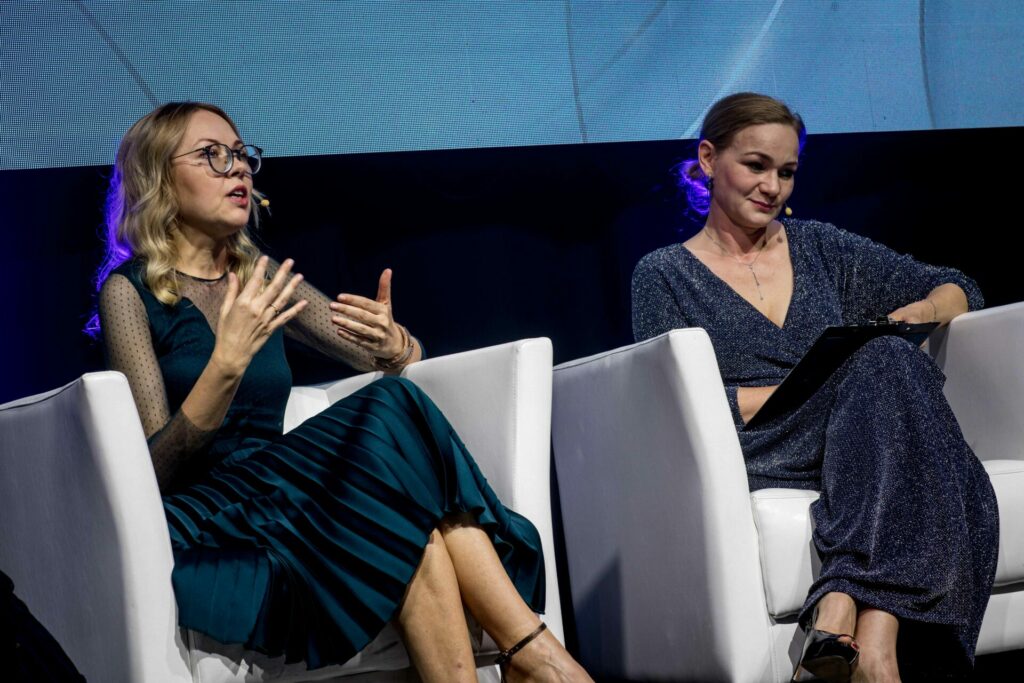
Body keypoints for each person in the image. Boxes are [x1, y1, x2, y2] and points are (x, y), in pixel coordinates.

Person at [94, 101, 590, 683]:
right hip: (209, 515)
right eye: (213, 156)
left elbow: (384, 357)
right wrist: (223, 368)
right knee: (391, 414)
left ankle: (530, 658)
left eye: (243, 155)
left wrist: (396, 343)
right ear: (158, 176)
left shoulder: (261, 276)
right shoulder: (129, 293)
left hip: (287, 497)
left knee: (412, 520)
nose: (240, 168)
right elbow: (152, 474)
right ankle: (535, 654)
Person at [631, 93, 998, 683]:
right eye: (756, 166)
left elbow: (958, 287)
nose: (772, 187)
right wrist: (816, 386)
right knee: (893, 381)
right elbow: (677, 405)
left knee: (886, 359)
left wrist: (921, 312)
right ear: (708, 159)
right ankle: (865, 633)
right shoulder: (663, 274)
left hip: (856, 438)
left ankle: (856, 625)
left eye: (787, 172)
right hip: (762, 444)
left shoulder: (821, 247)